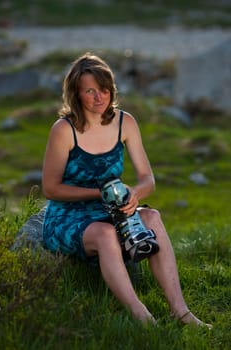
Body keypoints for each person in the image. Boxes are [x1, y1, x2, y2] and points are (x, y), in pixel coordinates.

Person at [42, 52, 212, 328]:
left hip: (113, 207)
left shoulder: (125, 122)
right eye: (90, 91)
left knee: (153, 217)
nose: (100, 97)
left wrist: (134, 194)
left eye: (105, 89)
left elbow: (148, 179)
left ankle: (181, 312)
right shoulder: (64, 130)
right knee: (106, 232)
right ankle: (141, 316)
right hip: (67, 214)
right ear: (75, 93)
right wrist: (98, 194)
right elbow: (51, 188)